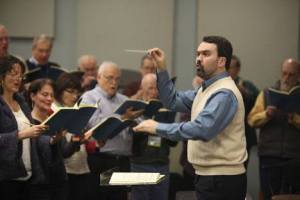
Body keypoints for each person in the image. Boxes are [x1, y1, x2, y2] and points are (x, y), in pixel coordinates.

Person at [133, 36, 248, 200]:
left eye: (206, 54)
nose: (199, 59)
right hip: (209, 175)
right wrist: (162, 68)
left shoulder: (224, 93)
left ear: (221, 61)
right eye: (198, 54)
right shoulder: (206, 90)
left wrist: (157, 127)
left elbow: (202, 129)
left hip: (222, 178)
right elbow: (171, 101)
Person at [80, 61, 142, 200]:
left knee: (121, 197)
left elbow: (137, 127)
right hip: (102, 160)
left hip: (123, 160)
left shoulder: (124, 100)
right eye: (109, 78)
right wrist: (122, 117)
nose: (114, 82)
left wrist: (133, 121)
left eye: (117, 79)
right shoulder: (89, 97)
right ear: (98, 77)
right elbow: (96, 127)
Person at [248, 58, 300, 200]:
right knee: (268, 195)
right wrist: (267, 114)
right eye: (284, 73)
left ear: (298, 76)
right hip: (269, 155)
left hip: (294, 157)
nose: (286, 78)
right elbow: (252, 119)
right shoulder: (266, 93)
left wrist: (294, 118)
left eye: (291, 74)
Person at [0, 56, 49, 200]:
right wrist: (20, 135)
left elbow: (32, 138)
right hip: (5, 177)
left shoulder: (22, 102)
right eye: (13, 74)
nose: (18, 79)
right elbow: (23, 135)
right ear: (1, 76)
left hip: (27, 175)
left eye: (20, 75)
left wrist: (52, 139)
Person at [28, 78, 81, 200]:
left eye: (51, 95)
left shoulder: (55, 119)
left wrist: (74, 140)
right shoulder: (28, 121)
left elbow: (64, 152)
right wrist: (52, 141)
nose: (49, 99)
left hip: (59, 180)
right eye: (45, 94)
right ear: (32, 96)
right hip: (39, 182)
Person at [130, 73, 177, 200]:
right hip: (140, 163)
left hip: (161, 164)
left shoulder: (166, 108)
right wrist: (147, 127)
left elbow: (173, 143)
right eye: (151, 88)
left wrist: (167, 128)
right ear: (142, 88)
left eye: (157, 88)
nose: (155, 92)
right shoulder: (133, 109)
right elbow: (129, 138)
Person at [53, 72, 97, 200]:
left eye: (77, 92)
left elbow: (80, 146)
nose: (75, 96)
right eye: (70, 91)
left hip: (82, 169)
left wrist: (95, 145)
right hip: (65, 173)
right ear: (60, 91)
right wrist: (75, 141)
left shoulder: (77, 111)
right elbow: (63, 151)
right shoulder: (55, 112)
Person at [228, 55, 259, 168]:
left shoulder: (246, 85)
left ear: (237, 69)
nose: (227, 70)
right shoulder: (219, 85)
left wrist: (244, 92)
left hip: (243, 136)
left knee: (240, 170)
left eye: (230, 67)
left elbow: (259, 102)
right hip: (224, 136)